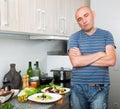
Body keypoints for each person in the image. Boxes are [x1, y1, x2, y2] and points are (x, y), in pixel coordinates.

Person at [68, 6, 116, 109]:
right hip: (77, 88)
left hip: (99, 88)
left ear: (93, 14)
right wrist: (100, 54)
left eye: (86, 15)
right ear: (78, 22)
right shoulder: (74, 37)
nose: (84, 21)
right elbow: (76, 62)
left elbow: (111, 60)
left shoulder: (106, 35)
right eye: (79, 19)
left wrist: (82, 58)